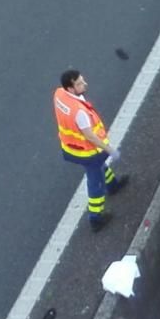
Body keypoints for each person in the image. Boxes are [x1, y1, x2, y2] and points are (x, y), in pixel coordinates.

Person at [53, 69, 128, 231]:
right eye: (79, 83)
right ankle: (96, 217)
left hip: (70, 147)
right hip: (87, 152)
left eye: (82, 80)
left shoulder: (59, 94)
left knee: (100, 166)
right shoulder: (80, 113)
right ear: (70, 88)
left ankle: (113, 185)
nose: (84, 84)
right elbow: (91, 136)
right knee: (95, 183)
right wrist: (109, 149)